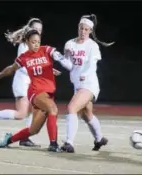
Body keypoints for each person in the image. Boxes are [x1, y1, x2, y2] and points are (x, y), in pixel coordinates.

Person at [0, 18, 61, 147]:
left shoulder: (39, 46)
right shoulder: (26, 48)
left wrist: (49, 68)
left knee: (33, 127)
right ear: (28, 31)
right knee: (27, 112)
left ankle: (14, 138)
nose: (38, 31)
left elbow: (38, 63)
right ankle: (53, 144)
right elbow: (22, 66)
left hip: (36, 85)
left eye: (40, 30)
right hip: (25, 82)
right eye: (35, 29)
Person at [54, 14, 115, 153]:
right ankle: (99, 139)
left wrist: (82, 74)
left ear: (90, 31)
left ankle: (69, 143)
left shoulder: (92, 46)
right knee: (87, 115)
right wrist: (60, 57)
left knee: (71, 108)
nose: (83, 31)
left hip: (89, 83)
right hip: (78, 85)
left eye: (86, 29)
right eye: (81, 28)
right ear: (78, 28)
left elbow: (91, 65)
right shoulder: (70, 43)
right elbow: (70, 66)